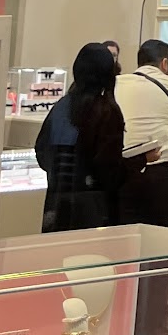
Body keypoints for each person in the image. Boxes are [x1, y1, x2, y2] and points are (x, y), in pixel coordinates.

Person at [34, 42, 129, 231]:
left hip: (57, 204)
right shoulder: (106, 110)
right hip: (93, 209)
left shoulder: (61, 106)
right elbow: (109, 171)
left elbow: (42, 152)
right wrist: (140, 160)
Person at [115, 40, 168, 228]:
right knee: (163, 229)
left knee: (127, 229)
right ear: (165, 63)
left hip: (127, 164)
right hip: (166, 164)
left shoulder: (118, 83)